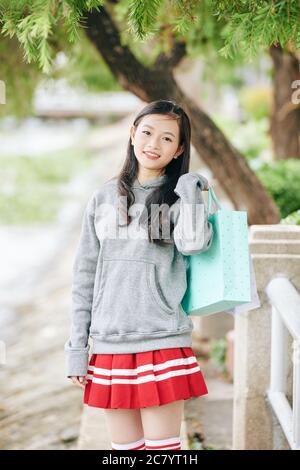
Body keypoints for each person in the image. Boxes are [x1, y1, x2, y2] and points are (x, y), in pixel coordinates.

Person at [64, 99, 223, 451]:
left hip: (162, 339)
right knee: (125, 453)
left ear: (179, 148)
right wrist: (77, 347)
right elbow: (84, 277)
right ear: (133, 133)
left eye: (167, 139)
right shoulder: (103, 197)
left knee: (163, 453)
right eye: (148, 132)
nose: (154, 144)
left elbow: (195, 244)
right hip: (109, 344)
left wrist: (190, 190)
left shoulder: (180, 198)